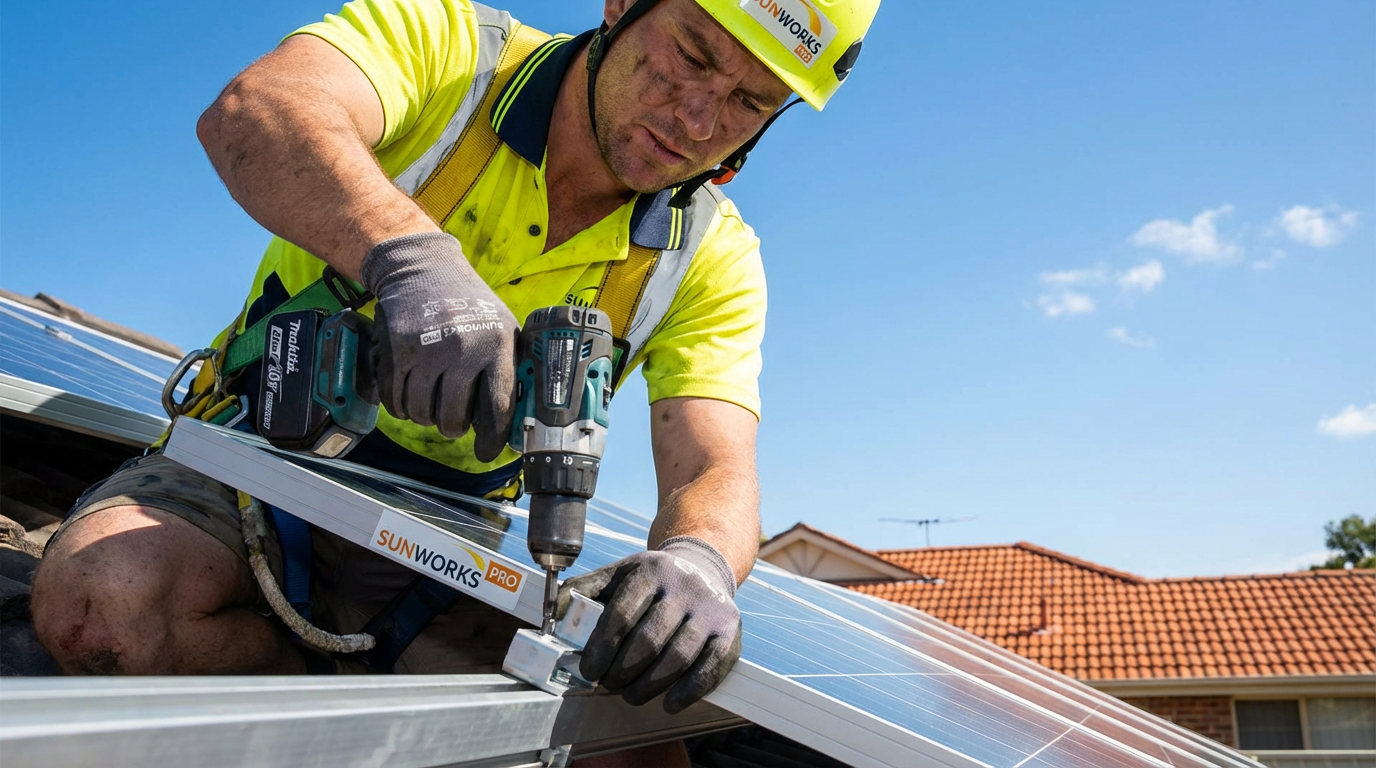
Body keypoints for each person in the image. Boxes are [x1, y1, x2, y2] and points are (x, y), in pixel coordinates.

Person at [33, 0, 878, 727]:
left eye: (748, 103)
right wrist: (409, 260)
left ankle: (327, 680)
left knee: (620, 740)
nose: (697, 119)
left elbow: (714, 465)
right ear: (624, 3)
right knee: (100, 608)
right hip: (251, 464)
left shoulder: (712, 257)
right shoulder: (450, 53)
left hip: (449, 540)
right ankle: (354, 692)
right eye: (692, 55)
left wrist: (699, 561)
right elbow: (257, 109)